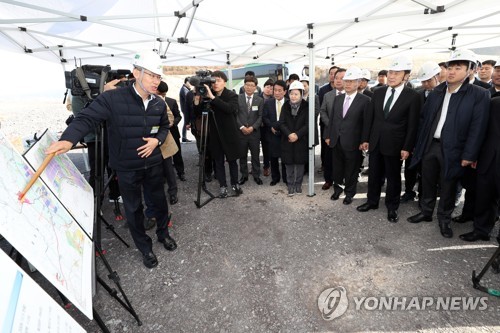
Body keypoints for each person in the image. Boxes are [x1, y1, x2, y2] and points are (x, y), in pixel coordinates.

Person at [46, 50, 177, 269]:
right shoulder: (112, 98)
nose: (156, 81)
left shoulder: (157, 103)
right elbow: (86, 118)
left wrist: (156, 141)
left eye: (159, 77)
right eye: (152, 75)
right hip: (127, 168)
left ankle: (163, 234)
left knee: (159, 203)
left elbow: (164, 127)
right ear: (136, 72)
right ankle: (145, 248)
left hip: (153, 163)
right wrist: (68, 139)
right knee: (133, 209)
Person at [407, 49, 490, 238]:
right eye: (450, 67)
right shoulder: (437, 91)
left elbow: (478, 128)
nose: (451, 72)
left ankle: (444, 219)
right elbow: (424, 121)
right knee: (427, 180)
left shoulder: (479, 94)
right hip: (430, 146)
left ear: (470, 70)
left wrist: (469, 155)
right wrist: (418, 146)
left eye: (458, 68)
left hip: (455, 150)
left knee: (448, 186)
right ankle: (426, 211)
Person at [356, 55, 420, 223]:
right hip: (376, 141)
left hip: (396, 144)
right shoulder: (378, 92)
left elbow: (413, 125)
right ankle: (372, 201)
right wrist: (365, 138)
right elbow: (371, 118)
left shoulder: (412, 96)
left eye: (396, 73)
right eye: (390, 72)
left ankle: (392, 207)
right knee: (374, 174)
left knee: (393, 177)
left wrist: (407, 147)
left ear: (406, 75)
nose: (391, 76)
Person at [325, 67, 371, 205]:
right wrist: (328, 135)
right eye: (346, 81)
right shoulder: (338, 99)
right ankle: (337, 189)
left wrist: (364, 140)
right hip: (336, 140)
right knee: (337, 167)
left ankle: (350, 193)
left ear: (358, 83)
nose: (348, 84)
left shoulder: (365, 100)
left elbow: (366, 123)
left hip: (353, 141)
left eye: (351, 81)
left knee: (351, 169)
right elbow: (332, 119)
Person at [193, 70, 243, 198]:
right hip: (215, 134)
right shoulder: (208, 95)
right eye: (213, 81)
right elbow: (198, 112)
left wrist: (213, 98)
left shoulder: (232, 95)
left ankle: (235, 183)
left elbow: (230, 109)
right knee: (218, 162)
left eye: (218, 81)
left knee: (232, 161)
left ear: (224, 82)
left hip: (230, 133)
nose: (215, 84)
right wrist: (197, 98)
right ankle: (223, 186)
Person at [459, 93, 500, 242]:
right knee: (485, 198)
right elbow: (481, 131)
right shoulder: (494, 103)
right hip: (489, 159)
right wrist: (474, 155)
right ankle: (481, 230)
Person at [400, 61, 441, 204]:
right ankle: (409, 191)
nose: (426, 84)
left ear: (437, 76)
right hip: (415, 139)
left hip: (431, 142)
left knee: (427, 171)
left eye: (429, 80)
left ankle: (423, 196)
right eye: (423, 81)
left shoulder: (443, 96)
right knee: (410, 168)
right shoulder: (417, 94)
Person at [278, 81, 309, 196]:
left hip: (301, 140)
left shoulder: (306, 106)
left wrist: (297, 135)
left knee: (300, 164)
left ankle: (298, 184)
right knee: (289, 163)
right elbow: (281, 123)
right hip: (287, 139)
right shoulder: (285, 106)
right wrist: (289, 134)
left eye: (296, 94)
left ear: (301, 94)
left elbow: (308, 124)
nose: (293, 96)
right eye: (291, 93)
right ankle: (290, 184)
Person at [319, 68, 346, 190]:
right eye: (336, 78)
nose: (339, 81)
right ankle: (328, 180)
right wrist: (330, 125)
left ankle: (341, 180)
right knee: (329, 158)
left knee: (343, 159)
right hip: (329, 132)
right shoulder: (327, 95)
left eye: (342, 78)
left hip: (346, 133)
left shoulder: (350, 96)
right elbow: (323, 111)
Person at [237, 76, 264, 185]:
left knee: (255, 156)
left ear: (255, 87)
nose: (249, 87)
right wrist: (242, 127)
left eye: (252, 85)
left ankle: (256, 175)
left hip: (254, 133)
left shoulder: (260, 100)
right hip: (241, 133)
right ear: (244, 86)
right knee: (242, 156)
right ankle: (244, 175)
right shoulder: (238, 98)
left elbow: (260, 116)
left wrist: (253, 127)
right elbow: (235, 115)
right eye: (247, 85)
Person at [262, 80, 288, 186]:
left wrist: (282, 128)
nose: (276, 93)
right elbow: (265, 117)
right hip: (272, 133)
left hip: (285, 133)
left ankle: (286, 178)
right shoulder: (268, 103)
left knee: (285, 157)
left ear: (285, 92)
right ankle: (275, 177)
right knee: (273, 157)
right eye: (275, 90)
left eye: (279, 90)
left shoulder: (289, 102)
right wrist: (271, 126)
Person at [259, 79, 274, 177]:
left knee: (267, 148)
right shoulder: (257, 98)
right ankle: (255, 167)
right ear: (263, 87)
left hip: (268, 128)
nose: (269, 90)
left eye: (271, 88)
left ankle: (266, 166)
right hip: (257, 126)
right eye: (267, 87)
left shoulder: (273, 99)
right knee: (255, 149)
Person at [179, 77, 192, 142]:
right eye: (189, 82)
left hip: (186, 108)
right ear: (186, 82)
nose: (190, 84)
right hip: (185, 108)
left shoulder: (186, 89)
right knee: (186, 122)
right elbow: (188, 98)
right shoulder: (184, 89)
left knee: (186, 122)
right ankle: (184, 137)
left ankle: (184, 137)